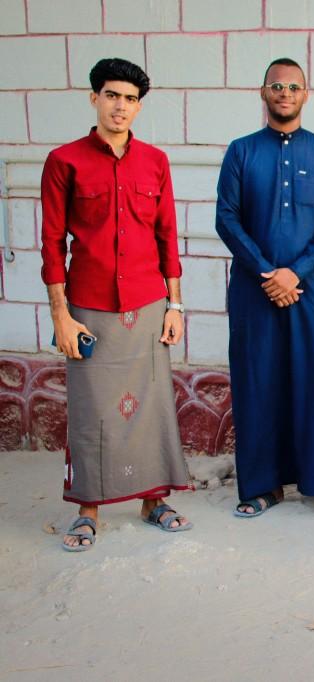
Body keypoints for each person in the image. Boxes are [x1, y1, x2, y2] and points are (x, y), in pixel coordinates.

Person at [40, 58, 191, 551]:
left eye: (129, 99)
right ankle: (87, 509)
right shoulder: (64, 161)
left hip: (147, 303)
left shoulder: (155, 161)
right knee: (93, 409)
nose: (120, 106)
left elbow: (167, 235)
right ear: (94, 99)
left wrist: (175, 305)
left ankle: (153, 500)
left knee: (150, 407)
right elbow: (51, 244)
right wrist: (60, 315)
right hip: (88, 306)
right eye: (111, 95)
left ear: (138, 106)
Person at [216, 58, 314, 522]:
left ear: (306, 94)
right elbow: (227, 218)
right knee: (258, 380)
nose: (285, 93)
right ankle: (263, 485)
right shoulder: (241, 151)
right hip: (254, 290)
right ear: (263, 92)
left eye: (294, 87)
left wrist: (296, 272)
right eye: (277, 85)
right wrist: (266, 272)